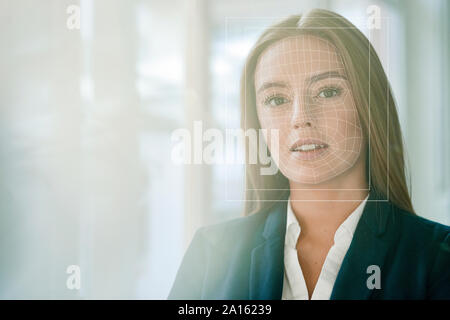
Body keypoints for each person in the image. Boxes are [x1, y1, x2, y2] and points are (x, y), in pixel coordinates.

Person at [168, 9, 450, 300]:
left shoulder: (437, 260)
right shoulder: (211, 254)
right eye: (276, 99)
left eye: (327, 92)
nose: (300, 118)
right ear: (259, 124)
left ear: (370, 107)